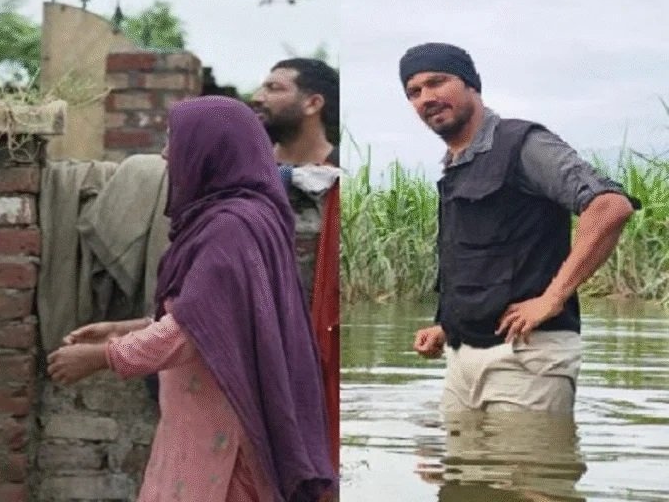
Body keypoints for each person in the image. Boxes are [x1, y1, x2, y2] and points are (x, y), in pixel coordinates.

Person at [47, 96, 336, 502]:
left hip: (221, 426)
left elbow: (193, 331)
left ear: (211, 151)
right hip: (206, 413)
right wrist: (121, 328)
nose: (167, 154)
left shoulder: (230, 228)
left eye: (176, 141)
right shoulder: (252, 215)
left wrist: (104, 356)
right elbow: (217, 315)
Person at [400, 42, 638, 413]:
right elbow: (486, 262)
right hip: (462, 359)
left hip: (528, 355)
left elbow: (609, 207)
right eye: (414, 92)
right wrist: (447, 327)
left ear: (471, 85)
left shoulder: (523, 145)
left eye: (437, 82)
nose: (426, 97)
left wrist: (552, 298)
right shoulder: (455, 166)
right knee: (458, 453)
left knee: (525, 453)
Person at [252, 58, 342, 471]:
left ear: (313, 103)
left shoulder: (339, 182)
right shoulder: (242, 176)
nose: (258, 97)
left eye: (274, 88)